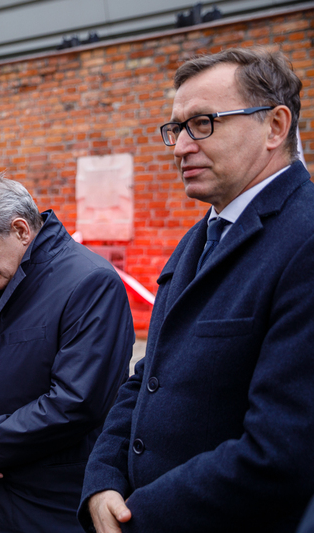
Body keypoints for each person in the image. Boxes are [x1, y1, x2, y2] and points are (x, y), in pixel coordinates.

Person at [80, 47, 314, 532]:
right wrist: (102, 479)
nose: (181, 146)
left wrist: (136, 518)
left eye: (203, 123)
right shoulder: (200, 237)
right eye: (176, 128)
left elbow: (281, 450)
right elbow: (149, 376)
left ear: (275, 126)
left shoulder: (305, 239)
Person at [0, 174, 134, 532]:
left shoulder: (92, 282)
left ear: (21, 230)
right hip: (9, 491)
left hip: (64, 498)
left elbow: (77, 402)